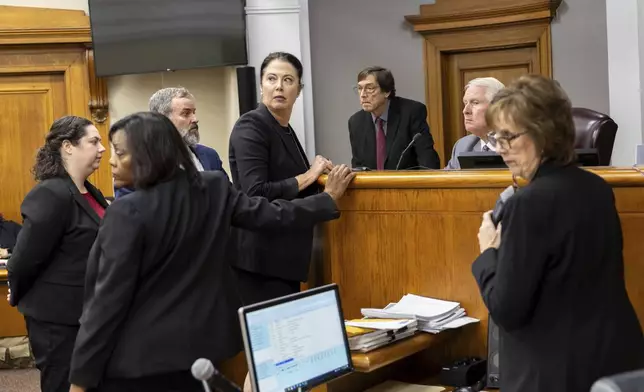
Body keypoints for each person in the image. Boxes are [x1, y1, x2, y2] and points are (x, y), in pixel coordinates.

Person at [68, 112, 355, 392]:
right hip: (202, 356)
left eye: (120, 152)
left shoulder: (125, 211)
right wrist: (326, 199)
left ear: (148, 154)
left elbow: (106, 301)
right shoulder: (214, 187)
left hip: (139, 363)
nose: (112, 161)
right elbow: (272, 215)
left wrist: (80, 380)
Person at [472, 75, 644, 392]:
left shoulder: (528, 204)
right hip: (615, 361)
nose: (502, 149)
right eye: (498, 137)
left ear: (544, 135)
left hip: (555, 373)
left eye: (510, 137)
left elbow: (507, 309)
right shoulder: (597, 187)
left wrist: (487, 253)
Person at [6, 116, 108, 392]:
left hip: (87, 315)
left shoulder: (90, 191)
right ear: (68, 146)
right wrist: (16, 292)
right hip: (58, 320)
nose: (102, 148)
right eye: (94, 141)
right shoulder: (51, 193)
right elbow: (24, 260)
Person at [229, 51, 335, 305]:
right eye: (271, 78)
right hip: (259, 261)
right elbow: (257, 192)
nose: (279, 86)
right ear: (261, 85)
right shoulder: (251, 126)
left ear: (299, 90)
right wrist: (309, 175)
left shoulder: (283, 128)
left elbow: (294, 185)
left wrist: (323, 177)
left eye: (288, 80)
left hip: (283, 258)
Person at [115, 87, 227, 198]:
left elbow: (228, 196)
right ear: (162, 119)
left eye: (194, 112)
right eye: (186, 113)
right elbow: (128, 209)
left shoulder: (209, 155)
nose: (195, 119)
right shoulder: (138, 163)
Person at [348, 66, 440, 170]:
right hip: (372, 185)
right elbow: (358, 166)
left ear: (387, 91)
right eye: (360, 88)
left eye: (370, 88)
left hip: (407, 184)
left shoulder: (411, 112)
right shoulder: (356, 122)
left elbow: (427, 161)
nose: (363, 95)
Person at [445, 77, 505, 169]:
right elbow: (445, 181)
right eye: (465, 103)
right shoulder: (463, 146)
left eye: (475, 103)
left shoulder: (518, 144)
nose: (465, 111)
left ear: (497, 107)